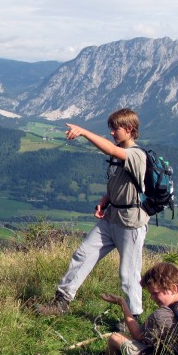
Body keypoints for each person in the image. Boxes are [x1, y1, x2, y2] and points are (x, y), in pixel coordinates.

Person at [36, 108, 149, 324]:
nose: (112, 133)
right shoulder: (119, 154)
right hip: (111, 217)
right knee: (82, 254)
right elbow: (120, 184)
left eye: (116, 129)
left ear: (130, 129)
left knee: (128, 274)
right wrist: (105, 200)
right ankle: (61, 302)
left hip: (131, 223)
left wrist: (85, 133)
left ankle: (133, 320)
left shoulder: (136, 155)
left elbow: (112, 151)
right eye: (111, 129)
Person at [88, 262, 178, 355]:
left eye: (155, 293)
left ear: (174, 288)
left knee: (115, 338)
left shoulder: (162, 315)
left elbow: (138, 335)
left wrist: (122, 303)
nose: (152, 298)